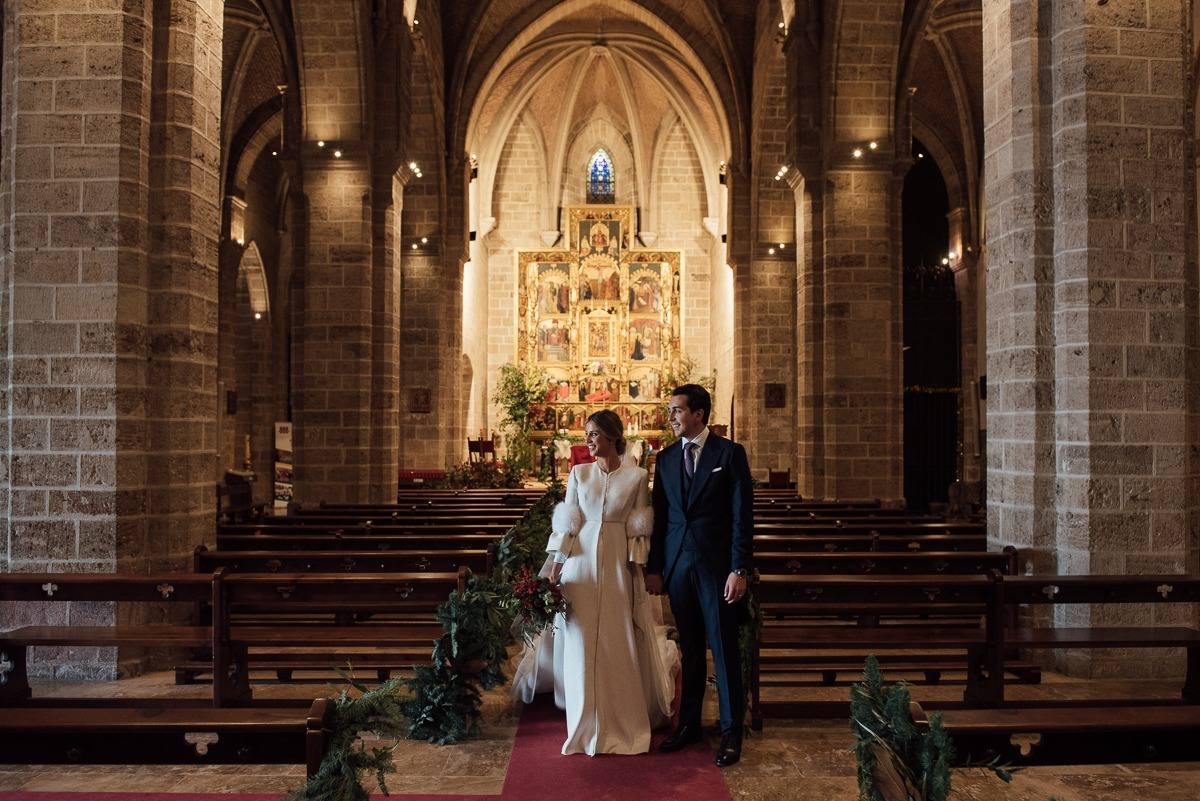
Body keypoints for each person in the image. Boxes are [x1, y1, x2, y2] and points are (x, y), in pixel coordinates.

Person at [511, 410, 678, 756]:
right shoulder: (578, 473)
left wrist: (639, 570)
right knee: (581, 641)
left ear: (613, 437)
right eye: (587, 434)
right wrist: (556, 565)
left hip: (619, 567)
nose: (588, 440)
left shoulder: (636, 477)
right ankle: (583, 718)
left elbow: (638, 530)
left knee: (617, 639)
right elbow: (568, 524)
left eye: (594, 434)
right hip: (580, 568)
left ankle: (620, 718)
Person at [645, 384, 753, 767]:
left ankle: (730, 732)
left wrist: (739, 569)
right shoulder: (668, 458)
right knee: (690, 649)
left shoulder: (729, 453)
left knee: (723, 650)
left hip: (717, 568)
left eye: (677, 410)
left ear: (699, 413)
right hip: (678, 566)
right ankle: (688, 723)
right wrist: (656, 568)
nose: (671, 416)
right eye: (671, 410)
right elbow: (661, 518)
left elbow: (742, 517)